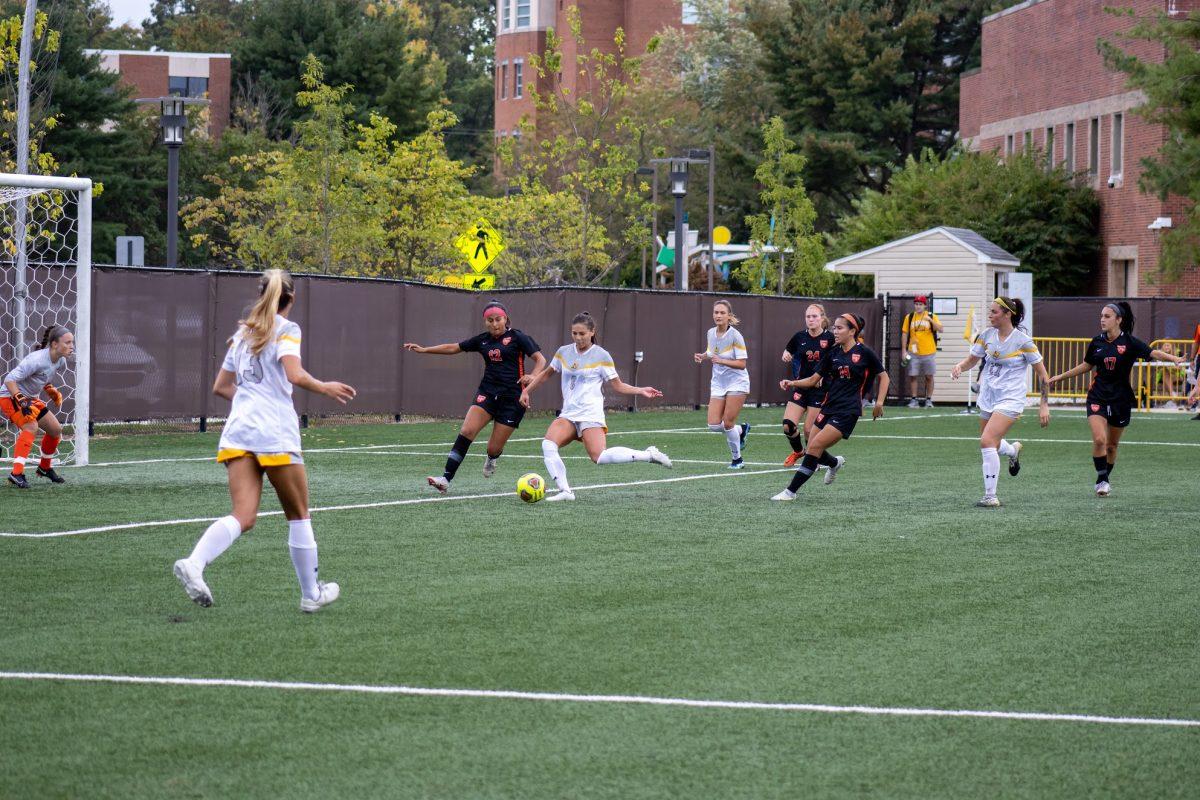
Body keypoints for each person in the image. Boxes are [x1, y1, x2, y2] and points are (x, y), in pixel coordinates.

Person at [173, 269, 356, 612]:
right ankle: (310, 595)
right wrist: (324, 387)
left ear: (262, 294)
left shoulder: (243, 333)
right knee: (299, 514)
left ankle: (195, 563)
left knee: (243, 516)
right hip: (274, 433)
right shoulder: (286, 329)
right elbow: (294, 373)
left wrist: (251, 401)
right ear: (292, 298)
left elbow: (221, 387)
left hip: (239, 431)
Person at [520, 311, 672, 501]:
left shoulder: (602, 355)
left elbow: (618, 385)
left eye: (582, 334)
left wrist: (640, 390)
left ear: (592, 332)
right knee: (548, 445)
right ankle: (565, 491)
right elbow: (545, 375)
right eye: (574, 333)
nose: (577, 338)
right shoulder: (563, 352)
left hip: (590, 414)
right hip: (569, 414)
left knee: (599, 457)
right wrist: (526, 391)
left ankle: (649, 455)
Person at [1047, 301, 1187, 496]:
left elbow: (1152, 352)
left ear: (1118, 320)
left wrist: (1173, 359)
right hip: (1097, 396)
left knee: (1112, 447)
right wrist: (1061, 376)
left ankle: (1104, 477)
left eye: (1107, 316)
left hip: (1121, 398)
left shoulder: (1129, 342)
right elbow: (1086, 365)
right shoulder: (1096, 341)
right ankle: (1102, 480)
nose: (1102, 320)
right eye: (1101, 316)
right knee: (1099, 440)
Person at [404, 300, 545, 493]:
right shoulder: (482, 340)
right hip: (487, 393)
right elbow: (453, 347)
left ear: (505, 319)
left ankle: (492, 458)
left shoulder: (517, 337)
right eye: (490, 320)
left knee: (493, 448)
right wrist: (424, 349)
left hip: (513, 399)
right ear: (485, 322)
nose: (494, 324)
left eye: (498, 319)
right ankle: (445, 479)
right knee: (467, 431)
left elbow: (540, 359)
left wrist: (533, 376)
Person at [772, 313, 888, 501]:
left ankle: (790, 492)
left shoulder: (864, 353)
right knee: (811, 445)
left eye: (840, 328)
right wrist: (791, 383)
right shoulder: (833, 353)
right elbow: (812, 380)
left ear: (852, 331)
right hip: (828, 406)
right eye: (834, 327)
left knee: (815, 445)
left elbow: (884, 376)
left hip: (848, 411)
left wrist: (880, 402)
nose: (835, 331)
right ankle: (834, 463)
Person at [950, 297, 1051, 508]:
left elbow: (1043, 375)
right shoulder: (986, 335)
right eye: (990, 311)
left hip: (1011, 398)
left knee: (987, 441)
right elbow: (972, 360)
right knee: (991, 443)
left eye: (994, 312)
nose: (990, 315)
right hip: (988, 396)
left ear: (1008, 315)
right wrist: (960, 366)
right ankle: (1013, 451)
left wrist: (1044, 404)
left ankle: (990, 496)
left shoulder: (1023, 341)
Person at [1, 324, 73, 488]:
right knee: (30, 426)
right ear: (54, 344)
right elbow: (9, 380)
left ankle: (44, 468)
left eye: (72, 342)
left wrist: (50, 389)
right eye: (67, 342)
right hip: (9, 396)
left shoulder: (60, 360)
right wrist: (21, 399)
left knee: (55, 430)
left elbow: (41, 377)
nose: (71, 346)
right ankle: (16, 474)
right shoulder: (36, 360)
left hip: (29, 398)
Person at [695, 299, 751, 469]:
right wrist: (703, 356)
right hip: (718, 382)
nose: (718, 315)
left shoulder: (735, 335)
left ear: (729, 316)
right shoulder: (710, 333)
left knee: (727, 423)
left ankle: (737, 459)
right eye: (716, 312)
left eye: (722, 313)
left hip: (737, 382)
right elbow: (712, 352)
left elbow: (742, 364)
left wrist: (721, 361)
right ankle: (741, 430)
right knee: (713, 425)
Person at [780, 303, 834, 467]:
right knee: (788, 426)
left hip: (819, 391)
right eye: (808, 317)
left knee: (809, 431)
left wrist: (826, 377)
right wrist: (786, 354)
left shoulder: (830, 339)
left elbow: (837, 361)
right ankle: (798, 452)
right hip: (802, 387)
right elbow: (787, 350)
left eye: (814, 316)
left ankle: (814, 459)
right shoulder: (799, 337)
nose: (811, 319)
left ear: (822, 318)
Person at [901, 295, 943, 408]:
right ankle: (914, 400)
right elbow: (904, 334)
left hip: (929, 352)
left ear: (925, 305)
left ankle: (928, 400)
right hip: (913, 352)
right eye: (916, 304)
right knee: (913, 376)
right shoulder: (909, 317)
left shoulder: (931, 316)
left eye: (920, 304)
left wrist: (930, 320)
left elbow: (941, 329)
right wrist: (903, 351)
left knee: (929, 376)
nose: (918, 306)